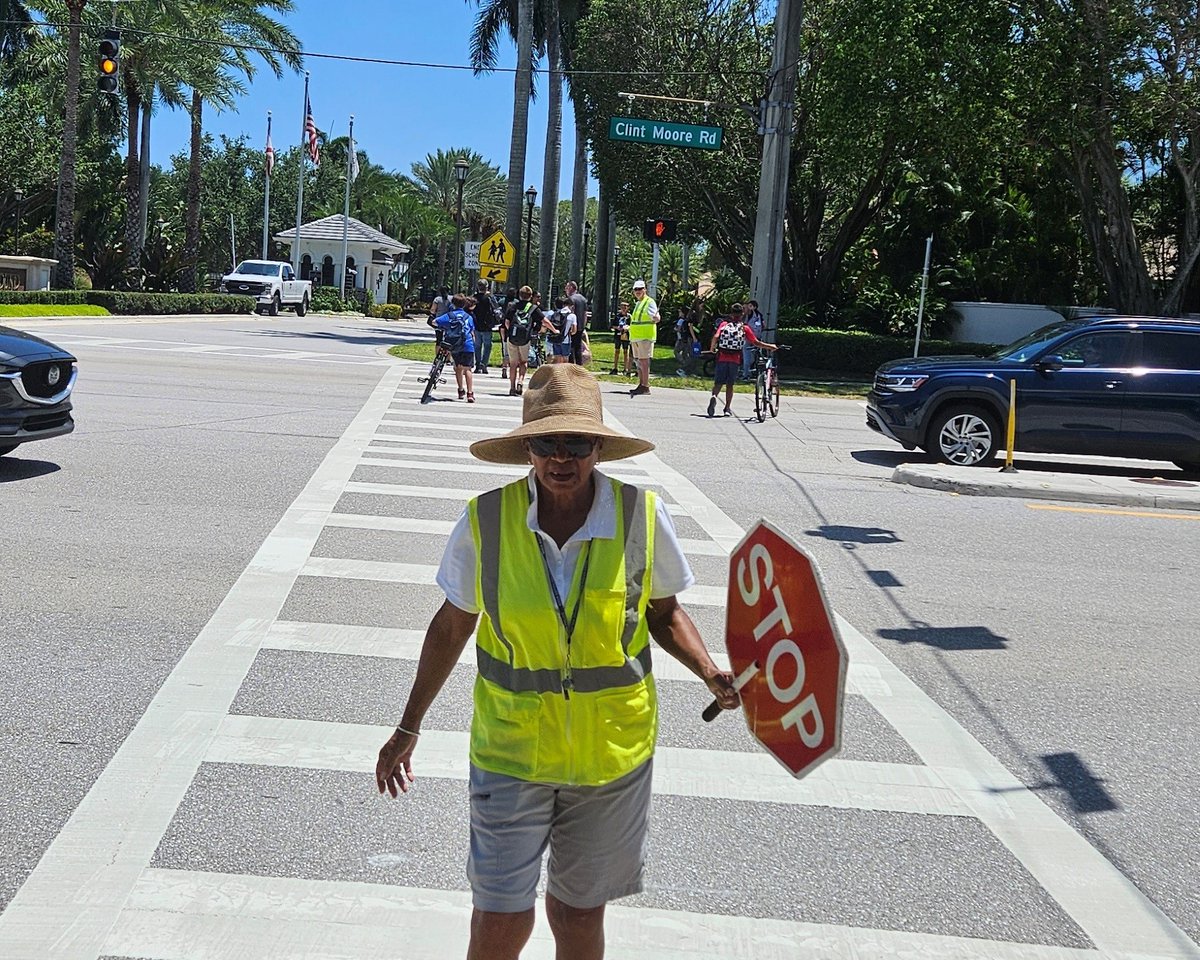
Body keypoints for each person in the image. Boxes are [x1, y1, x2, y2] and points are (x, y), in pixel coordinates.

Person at [375, 364, 739, 960]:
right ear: (527, 448)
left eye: (577, 443)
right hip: (511, 751)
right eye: (547, 443)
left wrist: (709, 670)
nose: (562, 457)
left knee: (576, 914)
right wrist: (407, 725)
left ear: (599, 447)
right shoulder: (485, 521)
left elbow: (664, 613)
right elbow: (450, 626)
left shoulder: (641, 516)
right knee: (499, 917)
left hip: (611, 755)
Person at [708, 302, 776, 418]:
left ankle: (714, 396)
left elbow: (715, 336)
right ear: (742, 314)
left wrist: (712, 348)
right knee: (730, 384)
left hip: (722, 357)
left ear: (731, 313)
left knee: (718, 382)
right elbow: (756, 342)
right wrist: (770, 346)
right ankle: (727, 408)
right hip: (735, 359)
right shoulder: (744, 328)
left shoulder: (724, 324)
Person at [431, 293, 477, 403]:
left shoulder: (449, 315)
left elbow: (434, 322)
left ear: (453, 304)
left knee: (458, 368)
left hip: (454, 345)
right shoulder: (468, 317)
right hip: (467, 345)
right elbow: (472, 332)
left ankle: (461, 390)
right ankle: (470, 393)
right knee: (468, 369)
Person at [504, 285, 542, 396]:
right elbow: (544, 321)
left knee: (513, 363)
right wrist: (554, 330)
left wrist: (511, 331)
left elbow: (506, 322)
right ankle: (520, 381)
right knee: (523, 362)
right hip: (525, 339)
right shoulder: (533, 308)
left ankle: (511, 387)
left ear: (519, 295)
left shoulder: (513, 306)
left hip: (512, 338)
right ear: (530, 296)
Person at [628, 279, 660, 396]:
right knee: (638, 362)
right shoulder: (638, 303)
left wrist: (656, 318)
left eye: (640, 289)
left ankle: (645, 386)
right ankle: (641, 385)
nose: (637, 291)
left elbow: (656, 317)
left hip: (645, 336)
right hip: (636, 337)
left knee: (644, 362)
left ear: (645, 290)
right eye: (635, 289)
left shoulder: (649, 302)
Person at [473, 281, 497, 375]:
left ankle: (478, 364)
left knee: (477, 346)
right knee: (487, 346)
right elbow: (496, 308)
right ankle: (484, 364)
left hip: (477, 325)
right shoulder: (490, 297)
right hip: (487, 325)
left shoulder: (474, 298)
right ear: (487, 287)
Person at [565, 280, 589, 365]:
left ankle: (571, 365)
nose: (566, 290)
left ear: (571, 288)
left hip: (573, 327)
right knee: (578, 347)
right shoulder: (583, 299)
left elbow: (570, 313)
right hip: (580, 326)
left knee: (570, 346)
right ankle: (579, 366)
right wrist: (583, 326)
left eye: (567, 288)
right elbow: (585, 314)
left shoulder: (571, 299)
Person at [548, 296, 576, 364]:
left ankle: (557, 373)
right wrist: (569, 332)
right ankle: (564, 374)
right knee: (565, 359)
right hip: (565, 340)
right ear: (571, 306)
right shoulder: (572, 316)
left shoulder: (556, 314)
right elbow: (574, 331)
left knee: (557, 358)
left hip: (556, 338)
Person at [741, 300, 765, 380]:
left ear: (754, 307)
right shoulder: (759, 315)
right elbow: (763, 325)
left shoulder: (750, 313)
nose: (748, 307)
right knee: (755, 356)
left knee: (746, 355)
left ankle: (746, 374)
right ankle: (753, 372)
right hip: (757, 338)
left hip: (748, 338)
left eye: (750, 306)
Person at [673, 305, 699, 376]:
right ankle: (686, 369)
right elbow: (690, 327)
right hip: (689, 338)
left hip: (686, 338)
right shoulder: (691, 317)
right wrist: (694, 338)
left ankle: (686, 368)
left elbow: (687, 328)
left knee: (687, 354)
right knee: (690, 354)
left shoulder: (685, 319)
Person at [610, 301, 632, 376]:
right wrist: (618, 328)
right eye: (622, 307)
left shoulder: (629, 317)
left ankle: (625, 368)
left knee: (626, 352)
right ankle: (615, 368)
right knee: (617, 351)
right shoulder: (617, 316)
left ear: (628, 308)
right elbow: (612, 326)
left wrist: (627, 328)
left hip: (626, 335)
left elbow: (632, 325)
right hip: (618, 335)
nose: (623, 308)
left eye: (625, 307)